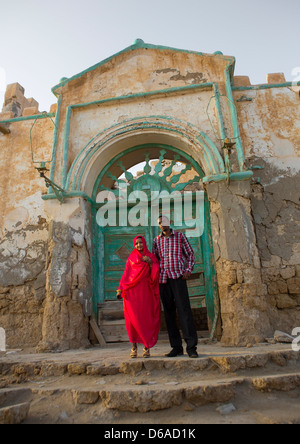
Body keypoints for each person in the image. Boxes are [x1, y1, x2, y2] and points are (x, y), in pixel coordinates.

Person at [153, 216, 198, 358]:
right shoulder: (156, 240)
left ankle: (191, 348)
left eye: (164, 222)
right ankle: (176, 347)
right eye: (159, 223)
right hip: (164, 280)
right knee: (169, 314)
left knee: (184, 312)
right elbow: (155, 259)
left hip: (178, 277)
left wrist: (188, 270)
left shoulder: (179, 236)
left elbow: (190, 254)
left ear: (169, 222)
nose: (162, 225)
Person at [117, 236, 161, 358]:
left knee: (145, 320)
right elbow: (126, 274)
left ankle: (146, 347)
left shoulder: (151, 257)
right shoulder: (131, 258)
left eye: (141, 243)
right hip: (132, 294)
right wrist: (120, 289)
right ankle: (134, 347)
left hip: (146, 294)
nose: (139, 245)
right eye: (136, 243)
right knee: (132, 321)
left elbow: (155, 275)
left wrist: (150, 263)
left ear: (144, 243)